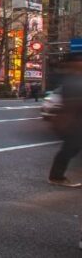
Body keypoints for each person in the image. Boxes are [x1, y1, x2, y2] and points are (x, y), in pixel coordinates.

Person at [50, 55, 82, 187]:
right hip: (73, 120)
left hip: (74, 119)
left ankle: (56, 176)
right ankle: (56, 176)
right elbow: (71, 101)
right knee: (70, 148)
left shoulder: (74, 78)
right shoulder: (71, 79)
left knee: (72, 148)